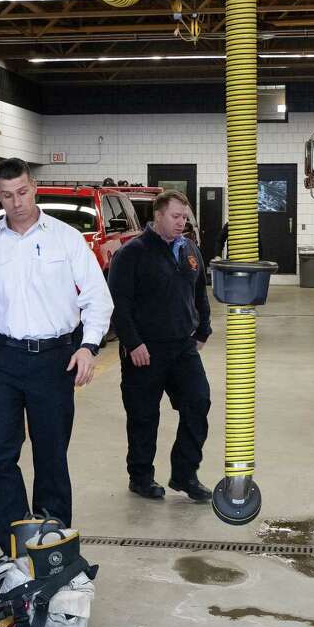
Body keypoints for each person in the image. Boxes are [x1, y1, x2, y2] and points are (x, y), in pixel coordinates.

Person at [0, 158, 113, 555]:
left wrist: (88, 346)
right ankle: (16, 545)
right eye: (6, 196)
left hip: (55, 359)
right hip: (3, 358)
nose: (16, 202)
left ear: (33, 187)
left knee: (51, 453)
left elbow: (97, 297)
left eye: (22, 192)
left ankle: (51, 539)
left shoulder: (66, 238)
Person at [107, 189, 213, 504]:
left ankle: (185, 474)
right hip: (145, 350)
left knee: (198, 402)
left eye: (185, 217)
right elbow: (119, 304)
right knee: (143, 415)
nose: (182, 223)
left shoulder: (190, 250)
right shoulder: (133, 253)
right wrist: (133, 342)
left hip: (182, 347)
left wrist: (203, 330)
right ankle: (140, 477)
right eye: (175, 216)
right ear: (158, 215)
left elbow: (200, 294)